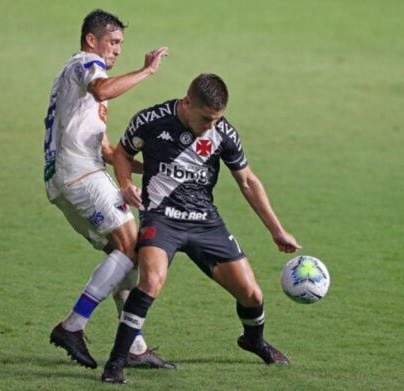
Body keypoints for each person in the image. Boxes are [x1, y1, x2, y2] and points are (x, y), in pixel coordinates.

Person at [101, 73, 302, 383]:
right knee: (152, 280)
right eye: (206, 118)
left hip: (205, 222)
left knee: (251, 294)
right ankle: (115, 363)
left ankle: (254, 341)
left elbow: (247, 181)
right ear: (187, 103)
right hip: (161, 218)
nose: (211, 126)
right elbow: (122, 154)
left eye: (217, 119)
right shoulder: (151, 120)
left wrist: (277, 230)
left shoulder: (223, 132)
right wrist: (126, 184)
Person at [43, 9, 174, 370]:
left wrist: (155, 168)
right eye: (113, 42)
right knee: (135, 247)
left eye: (120, 44)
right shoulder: (85, 65)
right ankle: (73, 325)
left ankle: (133, 346)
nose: (117, 51)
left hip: (70, 176)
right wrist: (147, 71)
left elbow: (107, 151)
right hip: (80, 174)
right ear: (91, 40)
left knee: (125, 255)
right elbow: (102, 87)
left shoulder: (80, 90)